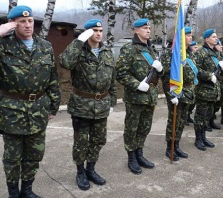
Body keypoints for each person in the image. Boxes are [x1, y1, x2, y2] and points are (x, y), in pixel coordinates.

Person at [0, 5, 61, 198]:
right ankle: (13, 193)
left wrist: (54, 105)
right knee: (13, 157)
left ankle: (27, 190)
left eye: (30, 21)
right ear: (12, 24)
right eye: (22, 22)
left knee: (34, 155)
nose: (27, 25)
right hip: (11, 111)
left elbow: (52, 78)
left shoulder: (45, 46)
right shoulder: (3, 45)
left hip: (38, 108)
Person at [58, 19, 117, 190]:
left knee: (99, 140)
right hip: (82, 106)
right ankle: (80, 172)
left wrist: (112, 101)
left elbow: (111, 79)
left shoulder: (106, 52)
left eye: (100, 30)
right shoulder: (78, 51)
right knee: (81, 142)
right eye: (94, 30)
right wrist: (78, 41)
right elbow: (65, 62)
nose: (98, 33)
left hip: (102, 105)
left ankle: (91, 169)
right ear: (87, 32)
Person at [116, 18, 164, 174]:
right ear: (136, 30)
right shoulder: (128, 49)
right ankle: (131, 157)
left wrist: (161, 70)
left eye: (149, 28)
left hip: (150, 96)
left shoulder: (152, 50)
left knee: (145, 127)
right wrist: (137, 84)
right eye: (144, 28)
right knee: (132, 128)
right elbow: (120, 74)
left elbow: (157, 75)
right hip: (135, 98)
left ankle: (139, 153)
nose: (148, 30)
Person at [161, 26, 197, 161]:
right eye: (188, 36)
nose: (191, 38)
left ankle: (176, 145)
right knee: (174, 121)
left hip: (188, 91)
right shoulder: (171, 54)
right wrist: (171, 95)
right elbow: (166, 78)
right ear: (181, 38)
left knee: (181, 121)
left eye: (191, 35)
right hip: (176, 92)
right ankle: (169, 148)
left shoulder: (190, 52)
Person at [193, 28, 223, 150]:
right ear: (206, 39)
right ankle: (198, 139)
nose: (216, 39)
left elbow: (219, 74)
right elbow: (196, 70)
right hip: (203, 90)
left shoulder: (216, 53)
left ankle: (204, 137)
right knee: (200, 116)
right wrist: (209, 76)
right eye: (213, 37)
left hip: (213, 91)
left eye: (216, 37)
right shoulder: (201, 52)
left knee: (208, 115)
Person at [186, 41, 199, 126]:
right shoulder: (186, 55)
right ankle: (186, 117)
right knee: (187, 104)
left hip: (194, 83)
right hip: (187, 85)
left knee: (192, 102)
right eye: (195, 47)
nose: (196, 49)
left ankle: (188, 115)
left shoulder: (193, 56)